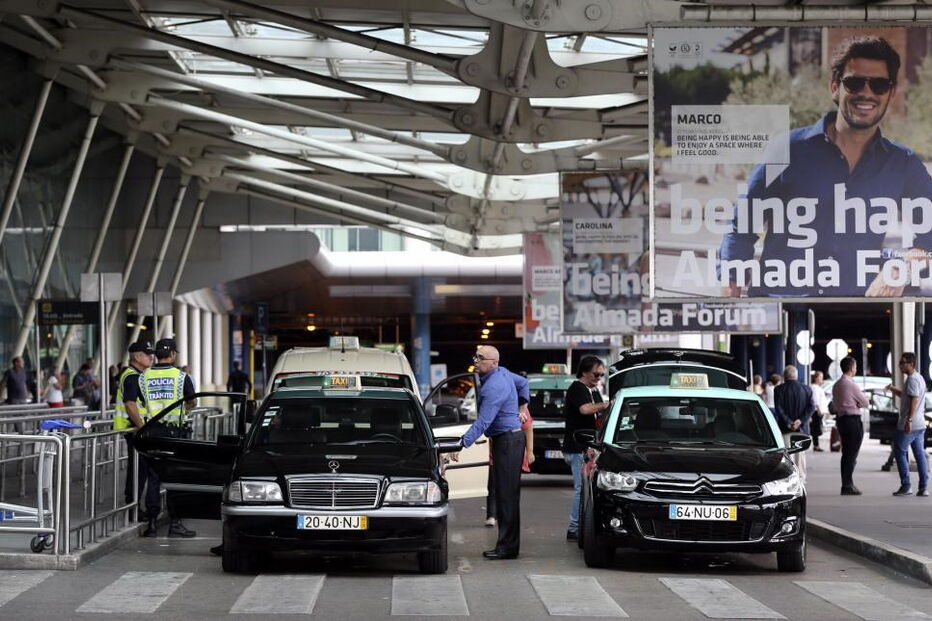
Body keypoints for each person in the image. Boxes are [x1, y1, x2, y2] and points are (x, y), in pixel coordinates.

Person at [720, 36, 932, 298]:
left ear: (891, 92)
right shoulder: (786, 149)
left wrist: (902, 267)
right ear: (834, 87)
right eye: (854, 83)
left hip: (858, 311)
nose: (866, 93)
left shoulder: (904, 164)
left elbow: (929, 238)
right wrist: (731, 293)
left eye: (878, 84)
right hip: (780, 311)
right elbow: (742, 224)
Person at [458, 345, 528, 560]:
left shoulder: (494, 386)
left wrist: (462, 443)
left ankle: (507, 548)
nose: (476, 361)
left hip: (508, 441)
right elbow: (524, 383)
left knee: (506, 497)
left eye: (481, 358)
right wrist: (522, 407)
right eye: (475, 356)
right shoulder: (503, 373)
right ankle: (508, 545)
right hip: (508, 439)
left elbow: (484, 420)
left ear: (494, 362)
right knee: (507, 495)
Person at [139, 338, 198, 537]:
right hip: (174, 434)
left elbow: (138, 404)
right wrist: (183, 411)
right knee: (175, 478)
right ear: (172, 354)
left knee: (153, 478)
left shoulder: (143, 377)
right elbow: (192, 402)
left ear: (156, 355)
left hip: (152, 433)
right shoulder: (182, 377)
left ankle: (152, 524)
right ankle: (175, 524)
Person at [562, 356, 612, 541]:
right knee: (580, 488)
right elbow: (585, 410)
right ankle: (574, 527)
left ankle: (580, 525)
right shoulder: (577, 389)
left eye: (601, 375)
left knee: (586, 488)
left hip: (585, 447)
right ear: (584, 371)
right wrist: (606, 405)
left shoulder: (592, 391)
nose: (598, 377)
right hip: (577, 448)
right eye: (596, 374)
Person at [114, 341, 155, 521]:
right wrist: (143, 428)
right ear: (137, 357)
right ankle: (133, 508)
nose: (151, 357)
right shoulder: (132, 376)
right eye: (147, 354)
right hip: (134, 431)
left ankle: (134, 507)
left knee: (140, 470)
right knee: (138, 471)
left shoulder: (137, 375)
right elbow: (130, 405)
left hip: (135, 430)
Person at [485, 372, 531, 528]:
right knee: (496, 486)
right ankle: (492, 516)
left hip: (509, 445)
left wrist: (464, 442)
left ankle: (507, 544)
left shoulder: (516, 404)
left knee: (507, 493)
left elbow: (528, 428)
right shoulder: (499, 397)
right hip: (498, 446)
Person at [886, 352, 929, 497]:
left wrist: (908, 420)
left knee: (899, 451)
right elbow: (906, 396)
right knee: (920, 455)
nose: (899, 365)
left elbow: (914, 400)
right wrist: (892, 388)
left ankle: (906, 485)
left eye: (902, 362)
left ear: (911, 363)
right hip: (919, 424)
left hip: (910, 424)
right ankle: (923, 488)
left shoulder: (912, 380)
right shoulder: (919, 378)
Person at [831, 356, 870, 495]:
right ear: (852, 368)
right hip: (853, 421)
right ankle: (848, 485)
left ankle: (846, 483)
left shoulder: (836, 385)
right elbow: (865, 403)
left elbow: (835, 403)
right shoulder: (851, 384)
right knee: (851, 454)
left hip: (842, 420)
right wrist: (857, 403)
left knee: (846, 453)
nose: (856, 369)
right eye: (855, 366)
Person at [773, 365, 815, 483]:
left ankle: (788, 480)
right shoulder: (807, 389)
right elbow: (811, 407)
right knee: (800, 456)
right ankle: (800, 479)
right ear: (796, 376)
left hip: (785, 428)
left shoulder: (778, 389)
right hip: (801, 429)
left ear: (784, 376)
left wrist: (789, 422)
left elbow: (779, 409)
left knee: (787, 455)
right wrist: (800, 421)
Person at [810, 371, 830, 451]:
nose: (822, 379)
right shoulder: (814, 387)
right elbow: (815, 400)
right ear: (816, 378)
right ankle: (816, 445)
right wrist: (819, 410)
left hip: (818, 411)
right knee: (816, 429)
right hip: (817, 411)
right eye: (821, 377)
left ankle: (816, 445)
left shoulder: (817, 387)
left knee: (816, 428)